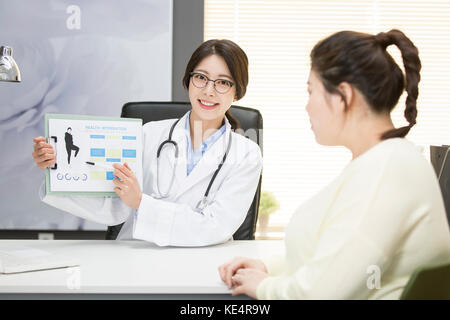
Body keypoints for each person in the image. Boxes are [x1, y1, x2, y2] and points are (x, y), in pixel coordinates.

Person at [219, 29, 450, 299]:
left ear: (343, 96)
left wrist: (265, 286)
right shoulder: (382, 162)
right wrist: (268, 266)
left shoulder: (387, 169)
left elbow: (322, 293)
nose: (307, 106)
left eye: (311, 91)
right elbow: (337, 257)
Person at [32, 39, 263, 246]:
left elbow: (216, 227)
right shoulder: (147, 135)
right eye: (201, 78)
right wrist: (57, 168)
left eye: (222, 82)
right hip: (137, 256)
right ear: (188, 81)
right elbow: (112, 207)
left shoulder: (247, 154)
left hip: (205, 263)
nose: (209, 91)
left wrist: (142, 203)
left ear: (237, 92)